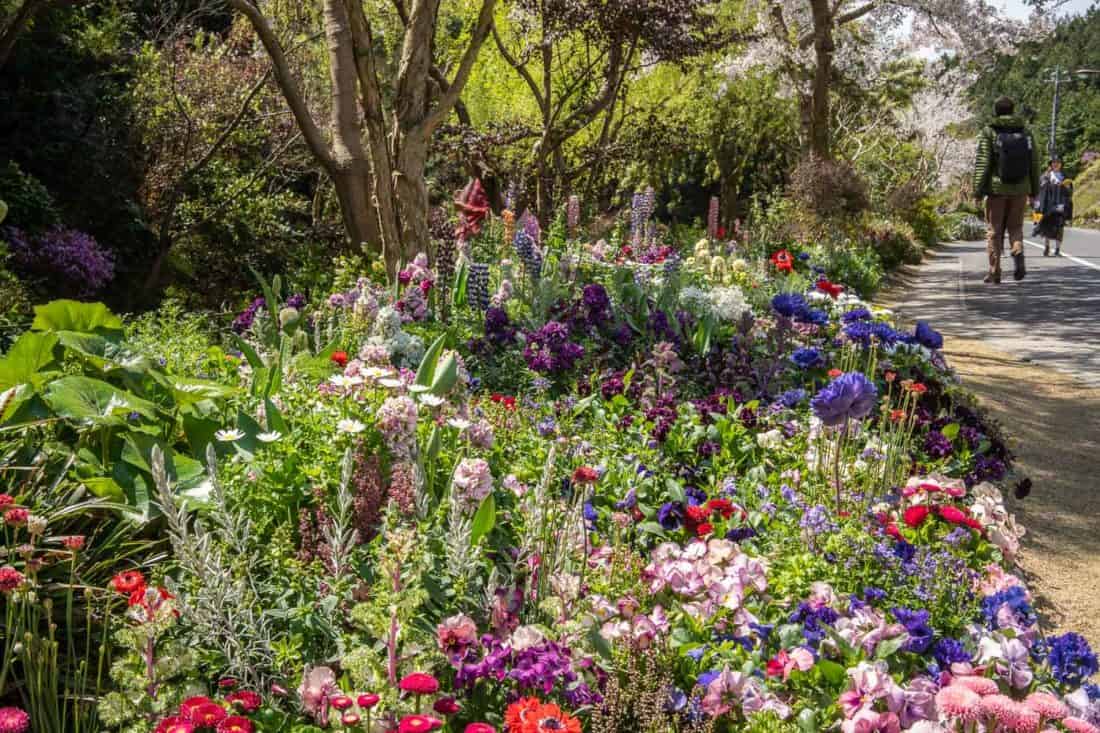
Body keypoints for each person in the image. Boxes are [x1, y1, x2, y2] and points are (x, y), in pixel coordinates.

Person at [972, 96, 1040, 283]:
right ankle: (1017, 250)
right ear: (1012, 110)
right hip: (1020, 189)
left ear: (996, 111)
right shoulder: (1026, 131)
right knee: (1016, 228)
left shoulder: (989, 131)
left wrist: (977, 190)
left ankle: (995, 271)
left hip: (997, 190)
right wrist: (1034, 190)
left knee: (994, 230)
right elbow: (1034, 162)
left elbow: (983, 162)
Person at [1034, 157, 1073, 256]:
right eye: (1053, 163)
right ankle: (1047, 247)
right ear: (1051, 164)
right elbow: (1040, 188)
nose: (1055, 164)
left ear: (1061, 164)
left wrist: (1063, 186)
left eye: (1058, 163)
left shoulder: (1065, 176)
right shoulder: (1046, 176)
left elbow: (1070, 191)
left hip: (1060, 203)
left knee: (1059, 226)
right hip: (1048, 204)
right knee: (1047, 225)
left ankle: (1057, 249)